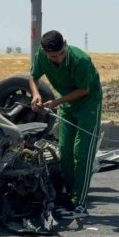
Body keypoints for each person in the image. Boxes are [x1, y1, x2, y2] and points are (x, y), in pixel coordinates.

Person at [29, 30, 103, 219]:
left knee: (81, 153)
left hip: (88, 105)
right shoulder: (41, 56)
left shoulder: (81, 60)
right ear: (45, 53)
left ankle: (79, 204)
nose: (58, 59)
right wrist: (36, 94)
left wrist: (56, 102)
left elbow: (84, 90)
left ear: (65, 45)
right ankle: (69, 198)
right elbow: (33, 77)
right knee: (65, 152)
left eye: (61, 54)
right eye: (52, 56)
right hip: (67, 104)